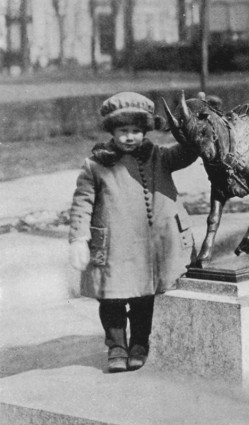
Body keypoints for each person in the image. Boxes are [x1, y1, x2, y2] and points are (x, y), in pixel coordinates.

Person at [68, 91, 197, 373]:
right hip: (114, 246)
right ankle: (116, 346)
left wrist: (198, 122)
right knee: (112, 297)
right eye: (123, 130)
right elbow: (81, 202)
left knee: (143, 297)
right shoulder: (96, 165)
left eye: (136, 131)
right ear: (112, 132)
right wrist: (78, 238)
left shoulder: (159, 157)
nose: (129, 137)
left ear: (145, 131)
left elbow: (189, 151)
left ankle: (139, 343)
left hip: (147, 247)